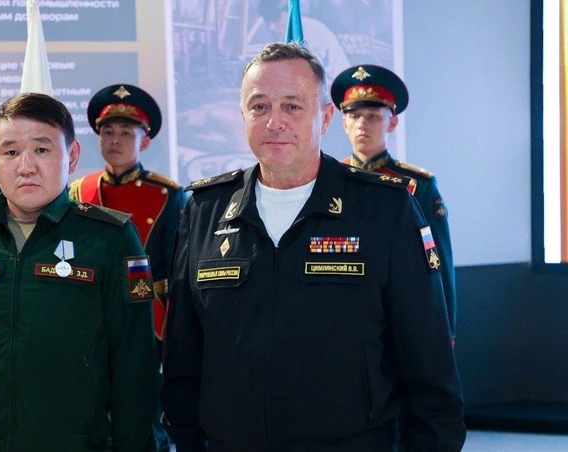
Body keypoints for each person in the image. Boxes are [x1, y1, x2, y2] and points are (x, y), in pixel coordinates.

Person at [161, 42, 465, 451]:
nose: (275, 122)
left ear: (324, 117)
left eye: (292, 106)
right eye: (260, 106)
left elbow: (430, 367)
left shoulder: (385, 209)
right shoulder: (205, 209)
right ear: (243, 115)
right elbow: (183, 358)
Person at [0, 92, 157, 451]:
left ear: (72, 156)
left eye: (41, 149)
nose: (25, 166)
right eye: (10, 152)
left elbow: (135, 368)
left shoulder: (110, 239)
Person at [69, 83, 185, 452]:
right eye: (107, 132)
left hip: (147, 318)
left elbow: (179, 270)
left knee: (144, 414)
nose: (115, 140)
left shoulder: (167, 194)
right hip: (90, 316)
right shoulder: (79, 191)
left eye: (125, 133)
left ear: (144, 142)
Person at [331, 64, 457, 344]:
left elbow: (438, 262)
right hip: (343, 317)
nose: (362, 123)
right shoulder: (330, 180)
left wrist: (446, 331)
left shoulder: (418, 186)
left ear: (393, 123)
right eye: (354, 115)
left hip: (401, 317)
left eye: (373, 116)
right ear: (343, 122)